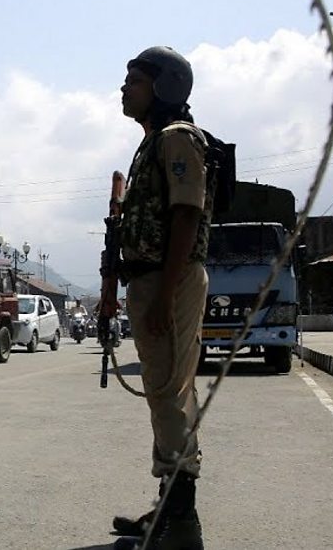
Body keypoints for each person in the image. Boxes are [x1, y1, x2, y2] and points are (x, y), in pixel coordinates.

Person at [111, 46, 213, 549]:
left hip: (168, 279)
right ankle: (169, 508)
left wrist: (163, 294)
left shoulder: (177, 138)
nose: (123, 88)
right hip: (151, 279)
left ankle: (182, 522)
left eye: (134, 80)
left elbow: (186, 215)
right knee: (165, 394)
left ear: (164, 86)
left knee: (170, 393)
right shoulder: (153, 142)